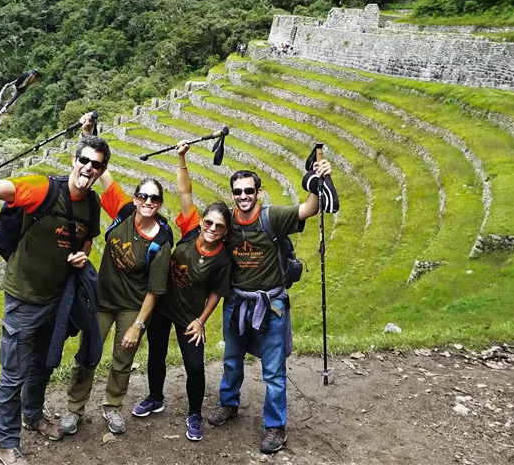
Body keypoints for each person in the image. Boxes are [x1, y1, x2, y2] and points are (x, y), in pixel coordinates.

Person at [0, 136, 109, 465]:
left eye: (96, 164)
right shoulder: (42, 189)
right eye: (85, 160)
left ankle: (34, 415)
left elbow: (87, 241)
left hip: (59, 297)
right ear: (74, 159)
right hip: (24, 296)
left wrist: (81, 256)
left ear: (102, 170)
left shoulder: (92, 204)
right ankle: (6, 443)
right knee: (14, 373)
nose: (89, 168)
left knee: (44, 363)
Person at [206, 161, 332, 455]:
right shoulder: (229, 222)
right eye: (238, 192)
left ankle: (276, 426)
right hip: (237, 302)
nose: (243, 196)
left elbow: (308, 210)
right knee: (231, 359)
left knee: (273, 371)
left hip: (271, 304)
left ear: (259, 192)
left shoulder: (272, 216)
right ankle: (228, 404)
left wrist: (316, 180)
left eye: (249, 190)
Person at [60, 115, 173, 437]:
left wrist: (139, 325)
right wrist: (87, 134)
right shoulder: (123, 212)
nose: (148, 202)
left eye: (154, 199)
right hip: (100, 299)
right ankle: (74, 409)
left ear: (160, 204)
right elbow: (102, 172)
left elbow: (155, 289)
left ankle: (112, 408)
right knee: (87, 355)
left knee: (123, 359)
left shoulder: (162, 241)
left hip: (132, 307)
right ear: (135, 199)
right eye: (143, 196)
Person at [130, 140, 231, 442]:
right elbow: (185, 192)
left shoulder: (223, 258)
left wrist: (201, 321)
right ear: (202, 222)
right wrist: (181, 158)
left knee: (195, 368)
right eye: (209, 222)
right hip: (164, 304)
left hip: (190, 315)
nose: (212, 228)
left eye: (219, 226)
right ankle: (155, 397)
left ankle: (194, 414)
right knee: (156, 355)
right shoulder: (190, 229)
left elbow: (216, 292)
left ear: (225, 231)